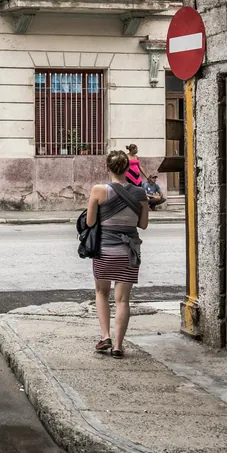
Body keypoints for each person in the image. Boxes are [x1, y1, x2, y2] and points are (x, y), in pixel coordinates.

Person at [86, 150, 149, 359]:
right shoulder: (140, 194)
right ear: (128, 168)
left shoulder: (98, 191)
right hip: (128, 252)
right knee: (122, 300)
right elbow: (143, 224)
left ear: (107, 167)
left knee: (101, 293)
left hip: (105, 251)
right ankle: (118, 347)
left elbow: (90, 223)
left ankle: (105, 336)